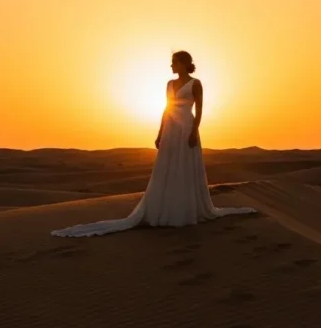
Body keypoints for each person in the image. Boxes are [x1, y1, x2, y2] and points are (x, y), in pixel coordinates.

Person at [51, 51, 256, 237]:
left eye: (174, 63)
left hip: (186, 126)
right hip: (170, 127)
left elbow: (200, 109)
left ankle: (184, 211)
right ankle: (164, 207)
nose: (171, 66)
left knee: (184, 166)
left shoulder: (195, 83)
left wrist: (194, 130)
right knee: (166, 167)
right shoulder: (169, 84)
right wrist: (159, 132)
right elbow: (167, 108)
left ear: (183, 63)